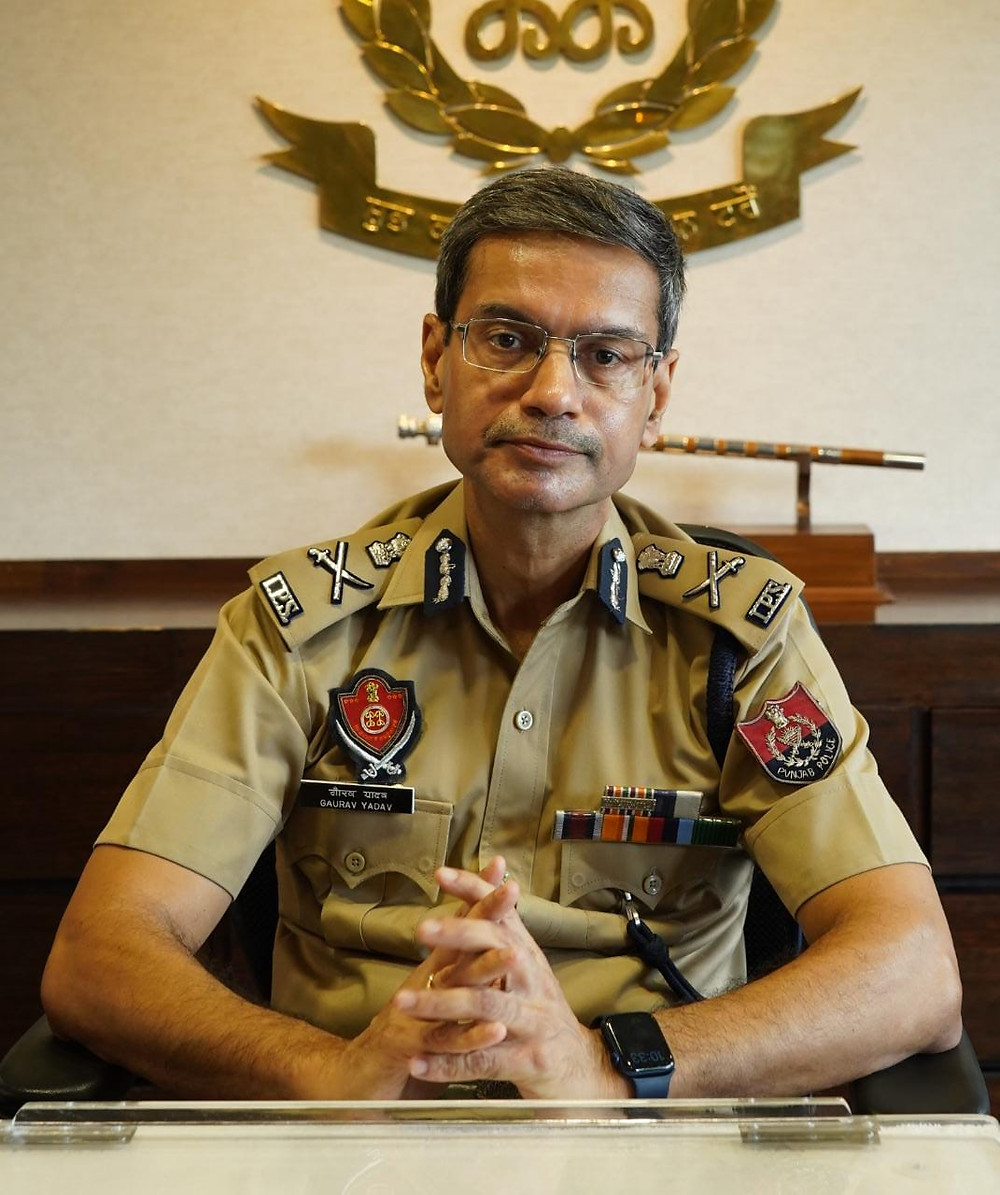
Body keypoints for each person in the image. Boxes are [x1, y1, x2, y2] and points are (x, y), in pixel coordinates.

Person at [41, 167, 962, 1101]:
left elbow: (914, 969)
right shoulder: (299, 631)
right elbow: (100, 955)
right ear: (436, 359)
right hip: (360, 1137)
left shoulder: (737, 638)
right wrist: (330, 1071)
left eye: (606, 355)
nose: (554, 391)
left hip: (642, 1134)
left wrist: (606, 1066)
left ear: (657, 393)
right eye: (508, 338)